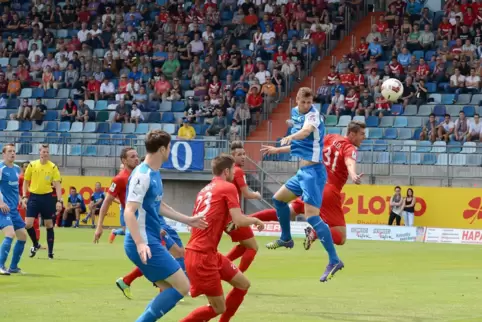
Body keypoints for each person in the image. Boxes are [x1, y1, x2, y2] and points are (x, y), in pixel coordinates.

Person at [258, 87, 343, 282]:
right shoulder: (296, 113)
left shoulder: (313, 116)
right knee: (278, 200)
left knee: (312, 218)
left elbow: (305, 133)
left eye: (309, 102)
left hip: (314, 173)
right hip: (302, 172)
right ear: (296, 100)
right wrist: (277, 150)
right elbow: (300, 144)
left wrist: (290, 135)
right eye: (303, 102)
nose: (306, 105)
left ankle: (334, 260)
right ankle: (286, 238)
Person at [124, 130, 208, 321]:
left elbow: (158, 205)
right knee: (183, 286)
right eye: (169, 147)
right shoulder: (143, 175)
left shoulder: (154, 173)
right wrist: (140, 243)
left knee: (169, 289)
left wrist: (187, 219)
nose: (170, 150)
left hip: (150, 239)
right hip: (145, 242)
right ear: (162, 149)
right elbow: (129, 211)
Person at [250, 121, 366, 250]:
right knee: (340, 236)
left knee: (286, 213)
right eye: (361, 134)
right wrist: (353, 174)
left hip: (311, 185)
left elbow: (306, 147)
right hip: (327, 190)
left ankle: (244, 220)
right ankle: (314, 233)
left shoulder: (331, 137)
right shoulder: (350, 148)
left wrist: (277, 149)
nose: (364, 137)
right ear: (351, 134)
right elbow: (349, 162)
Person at [180, 154, 264, 322]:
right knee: (218, 307)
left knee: (243, 284)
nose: (235, 172)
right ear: (226, 171)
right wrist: (255, 220)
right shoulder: (227, 187)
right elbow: (239, 220)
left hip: (207, 253)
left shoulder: (205, 190)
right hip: (202, 256)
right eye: (233, 169)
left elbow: (218, 219)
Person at [224, 141, 262, 273]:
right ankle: (237, 277)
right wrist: (256, 195)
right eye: (240, 154)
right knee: (253, 247)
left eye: (244, 154)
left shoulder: (226, 171)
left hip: (225, 216)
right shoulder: (238, 171)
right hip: (234, 216)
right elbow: (247, 194)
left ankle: (221, 265)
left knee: (244, 245)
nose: (243, 157)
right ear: (232, 156)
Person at [21, 144, 62, 260]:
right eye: (43, 152)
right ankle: (35, 244)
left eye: (47, 152)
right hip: (34, 197)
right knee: (28, 224)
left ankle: (50, 253)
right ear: (39, 152)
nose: (45, 154)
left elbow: (58, 185)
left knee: (49, 225)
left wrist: (59, 200)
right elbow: (26, 181)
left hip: (47, 198)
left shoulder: (53, 167)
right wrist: (24, 196)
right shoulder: (32, 165)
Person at [93, 147, 139, 244]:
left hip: (146, 217)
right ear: (124, 161)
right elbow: (107, 202)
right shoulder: (119, 179)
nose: (136, 159)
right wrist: (99, 226)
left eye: (137, 156)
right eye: (133, 156)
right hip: (133, 218)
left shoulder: (142, 174)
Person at [0, 144, 27, 275]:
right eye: (9, 151)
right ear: (3, 154)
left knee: (22, 236)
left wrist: (20, 198)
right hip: (3, 208)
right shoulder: (1, 168)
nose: (12, 153)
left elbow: (14, 189)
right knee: (10, 234)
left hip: (13, 209)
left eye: (14, 151)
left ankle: (13, 267)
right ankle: (0, 265)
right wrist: (0, 203)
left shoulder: (17, 169)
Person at [18, 162, 40, 240]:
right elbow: (16, 190)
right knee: (23, 222)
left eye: (28, 166)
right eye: (25, 166)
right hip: (23, 202)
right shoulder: (20, 178)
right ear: (22, 168)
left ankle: (36, 242)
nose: (27, 168)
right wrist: (21, 200)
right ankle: (21, 239)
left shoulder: (33, 178)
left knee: (36, 222)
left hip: (33, 201)